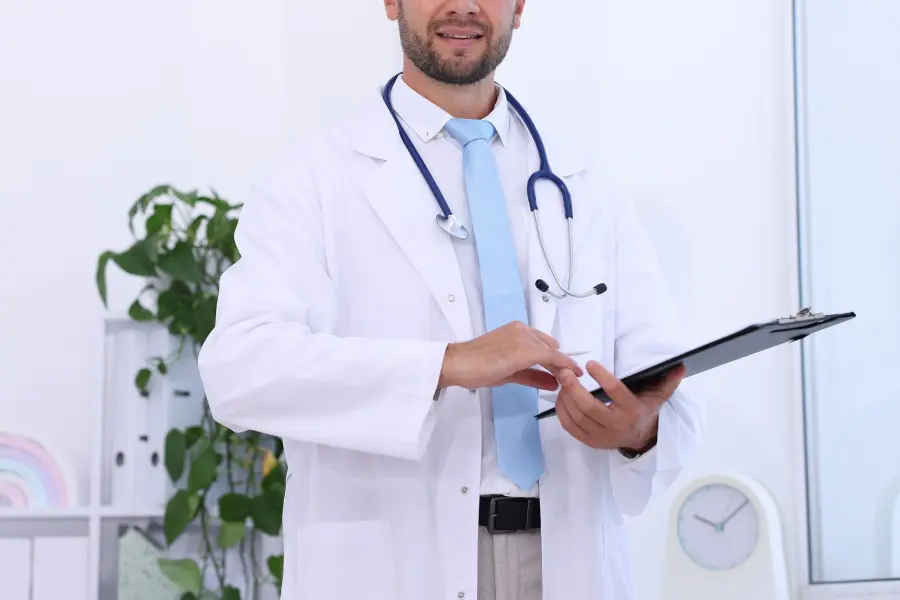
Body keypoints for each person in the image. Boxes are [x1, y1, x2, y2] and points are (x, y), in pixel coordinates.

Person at [197, 1, 704, 599]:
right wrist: (446, 364)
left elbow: (665, 385)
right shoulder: (314, 179)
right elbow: (239, 370)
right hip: (399, 565)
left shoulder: (586, 183)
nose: (463, 6)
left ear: (519, 6)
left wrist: (638, 428)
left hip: (568, 561)